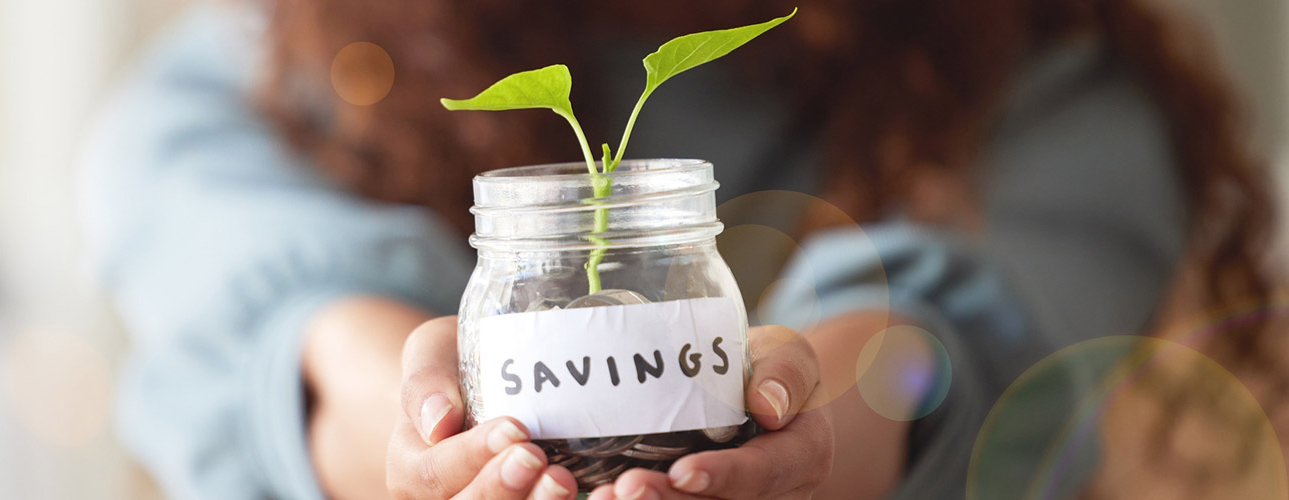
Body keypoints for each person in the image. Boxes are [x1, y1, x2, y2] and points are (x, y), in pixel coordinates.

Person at [78, 0, 1280, 499]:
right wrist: (415, 417)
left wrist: (807, 421)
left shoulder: (1046, 72)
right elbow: (208, 219)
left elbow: (980, 341)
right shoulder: (314, 46)